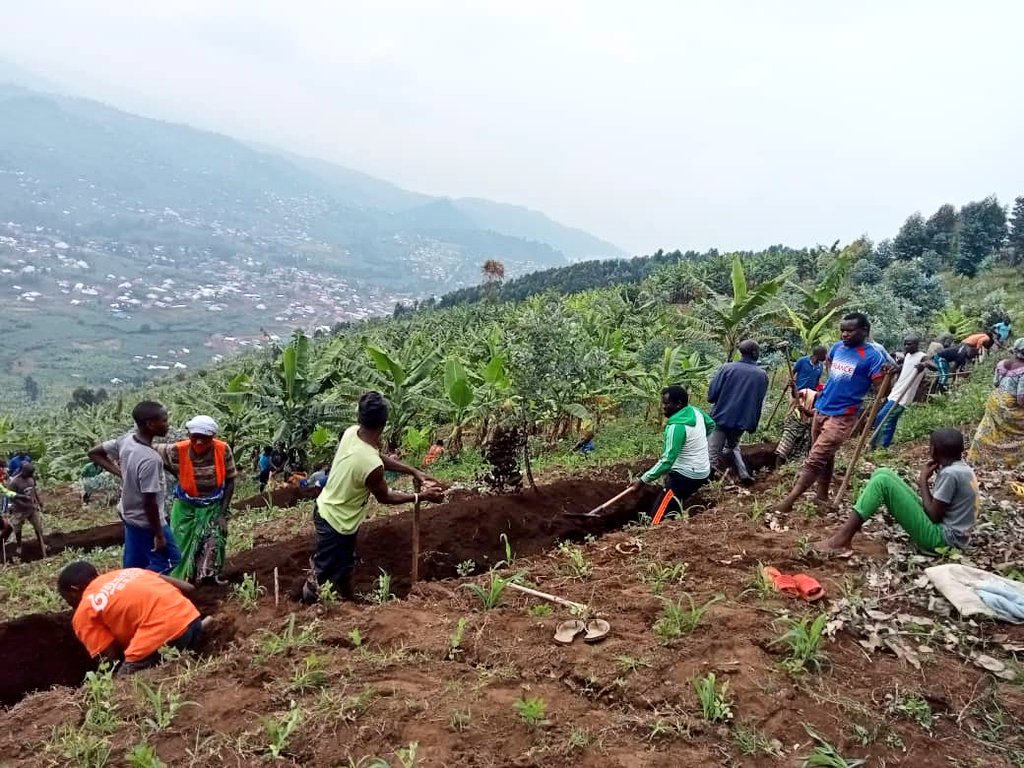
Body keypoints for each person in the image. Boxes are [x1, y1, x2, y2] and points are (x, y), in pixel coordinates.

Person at [302, 392, 445, 603]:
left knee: (345, 563)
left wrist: (413, 471)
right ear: (383, 425)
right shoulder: (371, 466)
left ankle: (349, 599)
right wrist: (421, 496)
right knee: (323, 571)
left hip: (333, 511)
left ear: (360, 418)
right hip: (336, 521)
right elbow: (385, 497)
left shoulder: (352, 433)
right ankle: (307, 609)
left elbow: (375, 456)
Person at [775, 313, 887, 514]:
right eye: (842, 330)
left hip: (843, 415)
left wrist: (887, 376)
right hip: (822, 408)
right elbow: (830, 364)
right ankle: (822, 495)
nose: (844, 334)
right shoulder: (837, 348)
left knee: (816, 457)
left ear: (864, 331)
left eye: (850, 331)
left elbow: (882, 390)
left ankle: (789, 500)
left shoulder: (872, 357)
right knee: (825, 455)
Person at [821, 429, 977, 554]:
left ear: (934, 450)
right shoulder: (962, 469)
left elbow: (933, 516)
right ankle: (853, 526)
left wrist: (922, 480)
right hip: (950, 534)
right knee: (883, 473)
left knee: (882, 482)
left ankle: (842, 539)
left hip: (943, 541)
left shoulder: (950, 474)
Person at [57, 560, 212, 675]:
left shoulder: (85, 610)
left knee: (123, 680)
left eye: (67, 599)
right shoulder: (130, 572)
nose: (71, 605)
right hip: (192, 621)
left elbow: (110, 661)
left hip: (166, 635)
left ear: (74, 591)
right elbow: (188, 587)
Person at [88, 401, 182, 573]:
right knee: (171, 559)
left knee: (134, 564)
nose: (168, 424)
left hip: (127, 512)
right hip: (145, 520)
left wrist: (121, 473)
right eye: (164, 420)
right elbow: (149, 502)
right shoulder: (150, 459)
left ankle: (128, 585)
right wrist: (159, 534)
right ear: (150, 424)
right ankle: (140, 587)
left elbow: (94, 452)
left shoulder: (127, 440)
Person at [155, 416, 237, 584]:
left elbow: (230, 481)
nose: (199, 442)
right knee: (181, 544)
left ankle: (208, 576)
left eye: (205, 438)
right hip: (185, 507)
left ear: (213, 437)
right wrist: (172, 470)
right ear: (188, 435)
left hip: (213, 504)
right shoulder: (176, 450)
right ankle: (182, 580)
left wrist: (222, 513)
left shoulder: (223, 450)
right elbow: (150, 450)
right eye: (195, 437)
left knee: (214, 540)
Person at [629, 385, 715, 513]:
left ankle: (655, 528)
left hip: (684, 478)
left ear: (679, 404)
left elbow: (667, 460)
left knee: (658, 514)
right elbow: (711, 424)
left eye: (667, 403)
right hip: (703, 472)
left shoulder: (676, 427)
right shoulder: (696, 412)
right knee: (673, 500)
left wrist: (642, 481)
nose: (663, 407)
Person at [706, 340, 769, 485]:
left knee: (713, 453)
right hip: (742, 421)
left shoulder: (727, 368)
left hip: (721, 417)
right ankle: (743, 473)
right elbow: (758, 402)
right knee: (733, 445)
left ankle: (708, 484)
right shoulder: (762, 375)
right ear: (754, 353)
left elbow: (711, 396)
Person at [967, 338, 1024, 469]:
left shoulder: (1003, 363)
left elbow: (996, 383)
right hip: (1010, 405)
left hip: (995, 401)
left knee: (989, 430)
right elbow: (1021, 399)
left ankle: (979, 458)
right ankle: (1011, 460)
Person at [870, 335, 934, 449]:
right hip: (895, 392)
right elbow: (903, 367)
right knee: (890, 420)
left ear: (916, 344)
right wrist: (892, 368)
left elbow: (934, 366)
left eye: (909, 344)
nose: (906, 346)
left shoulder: (922, 357)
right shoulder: (908, 356)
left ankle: (879, 446)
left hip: (903, 396)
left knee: (883, 417)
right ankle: (883, 446)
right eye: (905, 344)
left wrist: (924, 365)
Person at [5, 463, 46, 559]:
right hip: (19, 510)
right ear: (23, 472)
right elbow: (13, 497)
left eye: (31, 474)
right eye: (29, 473)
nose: (30, 475)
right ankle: (19, 546)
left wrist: (39, 501)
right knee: (18, 529)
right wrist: (23, 504)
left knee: (38, 527)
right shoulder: (14, 482)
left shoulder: (31, 478)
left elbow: (33, 490)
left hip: (31, 508)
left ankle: (42, 544)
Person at [774, 387, 818, 466]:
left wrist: (804, 410)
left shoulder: (822, 405)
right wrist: (793, 387)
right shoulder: (807, 392)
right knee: (785, 445)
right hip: (795, 422)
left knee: (801, 450)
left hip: (807, 428)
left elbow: (811, 413)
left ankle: (790, 466)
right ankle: (778, 467)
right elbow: (795, 395)